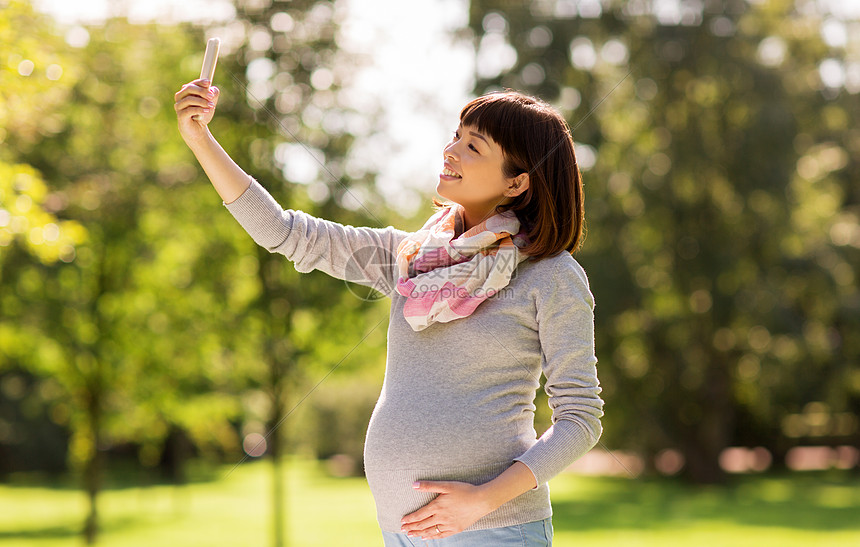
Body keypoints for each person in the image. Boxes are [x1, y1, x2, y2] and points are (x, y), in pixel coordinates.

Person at [174, 76, 603, 546]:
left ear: (516, 181)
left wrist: (481, 500)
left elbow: (580, 420)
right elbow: (284, 232)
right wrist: (200, 138)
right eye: (455, 136)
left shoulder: (551, 276)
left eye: (473, 146)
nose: (451, 150)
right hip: (400, 532)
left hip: (494, 531)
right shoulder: (412, 258)